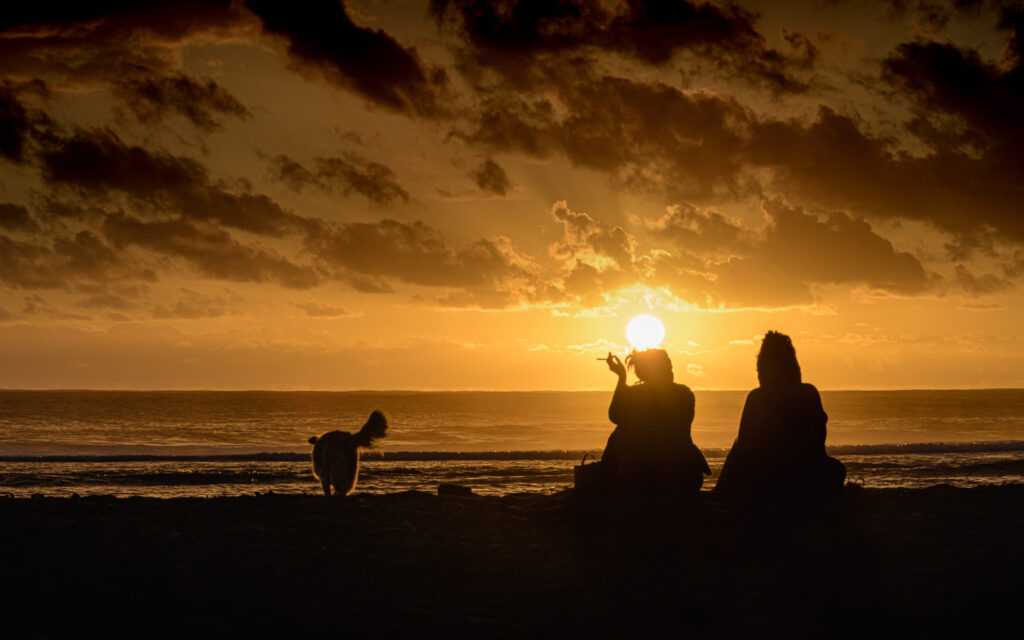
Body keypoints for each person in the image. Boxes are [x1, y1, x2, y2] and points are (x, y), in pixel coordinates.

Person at [715, 331, 846, 495]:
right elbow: (818, 449)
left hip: (775, 478)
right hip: (806, 474)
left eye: (760, 370)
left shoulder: (758, 398)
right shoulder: (809, 393)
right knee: (836, 469)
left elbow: (743, 450)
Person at [601, 348, 710, 491]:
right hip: (684, 476)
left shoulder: (633, 394)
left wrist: (621, 378)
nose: (671, 371)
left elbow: (615, 416)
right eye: (667, 367)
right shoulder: (685, 394)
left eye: (670, 367)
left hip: (643, 475)